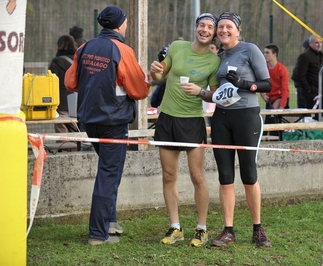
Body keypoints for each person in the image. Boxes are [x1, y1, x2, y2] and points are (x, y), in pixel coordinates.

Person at [65, 6, 150, 245]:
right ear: (120, 24)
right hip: (114, 121)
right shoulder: (122, 49)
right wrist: (149, 82)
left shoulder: (84, 48)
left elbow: (70, 83)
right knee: (109, 173)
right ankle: (98, 234)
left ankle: (110, 221)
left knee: (108, 171)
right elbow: (138, 89)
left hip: (89, 120)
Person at [149, 13, 220, 247]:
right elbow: (160, 75)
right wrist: (155, 70)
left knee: (197, 176)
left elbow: (214, 94)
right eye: (202, 25)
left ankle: (202, 229)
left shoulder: (213, 61)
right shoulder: (178, 47)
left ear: (214, 33)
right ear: (196, 27)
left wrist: (199, 92)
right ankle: (175, 227)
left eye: (210, 27)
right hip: (167, 118)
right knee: (169, 176)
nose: (205, 30)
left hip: (192, 121)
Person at [210, 12, 272, 248]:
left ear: (237, 30)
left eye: (228, 27)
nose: (223, 31)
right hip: (221, 118)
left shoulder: (250, 49)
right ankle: (228, 230)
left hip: (246, 117)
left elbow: (267, 84)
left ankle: (258, 229)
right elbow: (214, 90)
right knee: (225, 176)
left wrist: (244, 84)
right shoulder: (218, 56)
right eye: (220, 27)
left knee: (249, 174)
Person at [293, 35, 323, 121]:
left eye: (320, 42)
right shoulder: (305, 56)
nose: (319, 45)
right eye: (316, 43)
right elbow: (299, 76)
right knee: (312, 120)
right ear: (310, 43)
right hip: (312, 95)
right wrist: (309, 89)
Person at [48, 35, 79, 133]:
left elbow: (51, 83)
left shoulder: (56, 62)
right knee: (75, 132)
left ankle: (64, 148)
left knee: (62, 133)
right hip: (77, 101)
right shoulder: (78, 61)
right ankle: (76, 148)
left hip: (61, 103)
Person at [261, 44, 290, 110]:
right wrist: (263, 94)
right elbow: (260, 81)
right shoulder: (264, 68)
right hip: (270, 98)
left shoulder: (282, 70)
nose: (264, 55)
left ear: (274, 54)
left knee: (273, 114)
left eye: (267, 53)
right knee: (269, 118)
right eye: (264, 52)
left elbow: (285, 89)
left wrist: (282, 106)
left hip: (280, 97)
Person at [291, 38, 310, 108]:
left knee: (304, 109)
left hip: (303, 88)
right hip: (304, 87)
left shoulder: (304, 57)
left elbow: (295, 74)